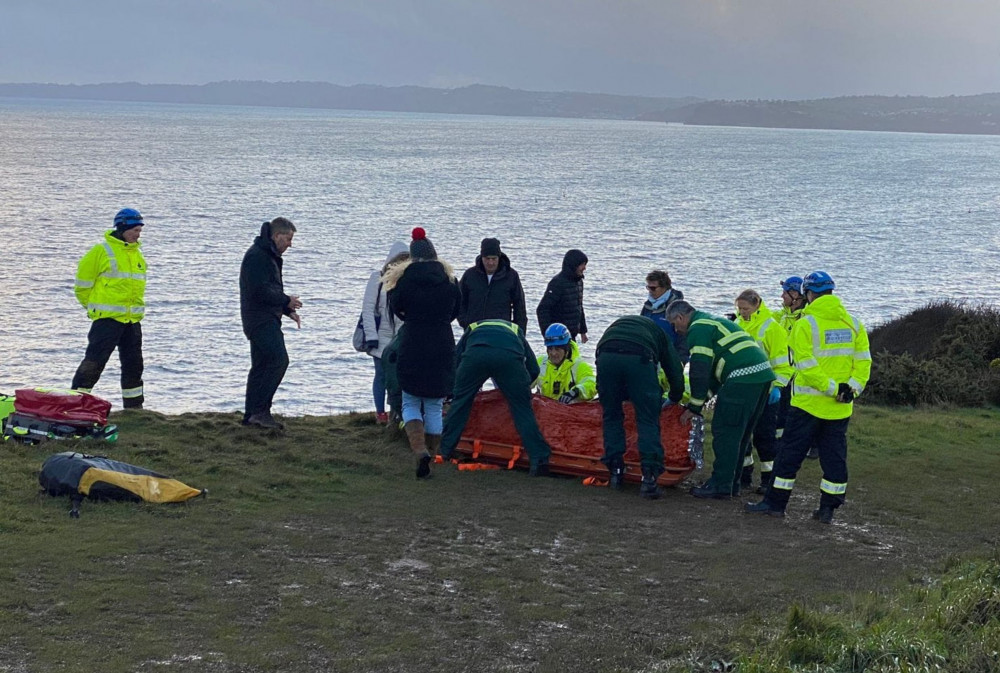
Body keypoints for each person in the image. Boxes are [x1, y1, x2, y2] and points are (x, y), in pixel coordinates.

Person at [745, 271, 871, 523]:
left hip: (808, 406)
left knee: (789, 456)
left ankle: (774, 504)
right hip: (840, 409)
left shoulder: (805, 324)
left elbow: (805, 365)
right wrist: (851, 390)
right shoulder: (854, 324)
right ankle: (827, 510)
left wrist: (832, 388)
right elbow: (864, 363)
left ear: (809, 294)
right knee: (834, 459)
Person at [666, 300, 775, 500]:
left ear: (681, 317)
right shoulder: (711, 322)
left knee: (726, 431)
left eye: (674, 324)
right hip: (761, 375)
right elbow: (716, 372)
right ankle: (732, 482)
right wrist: (701, 400)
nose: (676, 330)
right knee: (741, 433)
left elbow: (700, 370)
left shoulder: (697, 329)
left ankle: (721, 484)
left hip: (742, 377)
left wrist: (695, 406)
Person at [385, 227, 461, 479]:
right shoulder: (449, 280)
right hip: (441, 341)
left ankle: (419, 451)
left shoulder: (404, 280)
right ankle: (433, 452)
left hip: (414, 340)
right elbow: (456, 310)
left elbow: (396, 307)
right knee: (434, 403)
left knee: (410, 400)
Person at [440, 319, 552, 475]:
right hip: (508, 357)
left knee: (460, 405)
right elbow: (533, 367)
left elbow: (455, 359)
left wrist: (455, 388)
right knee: (522, 411)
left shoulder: (473, 327)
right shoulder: (515, 329)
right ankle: (539, 461)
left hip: (475, 355)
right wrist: (523, 390)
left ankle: (443, 451)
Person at [596, 315, 685, 499]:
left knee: (611, 415)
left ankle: (615, 472)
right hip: (639, 357)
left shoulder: (622, 324)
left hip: (606, 355)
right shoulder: (662, 335)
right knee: (647, 418)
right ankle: (649, 479)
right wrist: (675, 397)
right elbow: (674, 370)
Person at [72, 208, 149, 409]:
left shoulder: (137, 254)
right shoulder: (101, 252)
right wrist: (94, 309)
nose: (138, 234)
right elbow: (82, 286)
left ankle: (134, 409)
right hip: (107, 320)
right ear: (122, 228)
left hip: (132, 321)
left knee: (134, 365)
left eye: (140, 230)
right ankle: (75, 404)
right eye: (135, 230)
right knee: (94, 362)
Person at [239, 217, 302, 430]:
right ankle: (259, 411)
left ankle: (254, 414)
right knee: (278, 360)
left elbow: (268, 290)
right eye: (288, 238)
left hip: (261, 318)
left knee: (261, 365)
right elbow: (259, 291)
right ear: (276, 236)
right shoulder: (258, 257)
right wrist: (286, 301)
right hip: (260, 320)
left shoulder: (267, 255)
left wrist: (286, 310)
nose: (290, 244)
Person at [734, 289, 793, 493]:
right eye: (740, 308)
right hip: (744, 390)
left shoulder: (772, 329)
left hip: (766, 391)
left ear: (757, 305)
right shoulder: (738, 325)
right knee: (743, 435)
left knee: (765, 437)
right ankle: (744, 474)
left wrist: (776, 387)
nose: (742, 312)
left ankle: (768, 479)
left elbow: (783, 364)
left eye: (746, 308)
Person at [362, 241, 409, 424]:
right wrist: (371, 336)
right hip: (381, 336)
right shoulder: (377, 278)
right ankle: (380, 412)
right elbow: (367, 309)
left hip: (401, 336)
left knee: (399, 376)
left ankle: (396, 412)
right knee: (381, 375)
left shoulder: (408, 280)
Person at [458, 237, 528, 333]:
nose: (490, 263)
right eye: (487, 259)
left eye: (494, 259)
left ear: (499, 257)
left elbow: (519, 307)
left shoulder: (511, 276)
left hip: (502, 332)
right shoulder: (469, 275)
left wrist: (518, 333)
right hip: (474, 332)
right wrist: (465, 322)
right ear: (481, 257)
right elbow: (458, 301)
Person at [535, 323, 597, 403]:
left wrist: (576, 391)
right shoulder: (540, 362)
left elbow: (593, 384)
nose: (553, 353)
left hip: (572, 412)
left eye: (557, 349)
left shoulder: (579, 365)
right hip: (547, 411)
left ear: (566, 349)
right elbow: (525, 380)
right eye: (550, 349)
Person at [537, 249, 589, 343]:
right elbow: (542, 309)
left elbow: (579, 307)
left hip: (571, 335)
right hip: (558, 337)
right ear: (574, 265)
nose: (584, 268)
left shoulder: (579, 282)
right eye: (582, 264)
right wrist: (548, 334)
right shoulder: (557, 283)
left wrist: (583, 331)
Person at [640, 269, 689, 362]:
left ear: (664, 287)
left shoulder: (678, 308)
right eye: (648, 287)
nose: (650, 291)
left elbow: (684, 338)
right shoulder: (647, 306)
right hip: (649, 356)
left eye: (653, 288)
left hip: (670, 358)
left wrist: (681, 361)